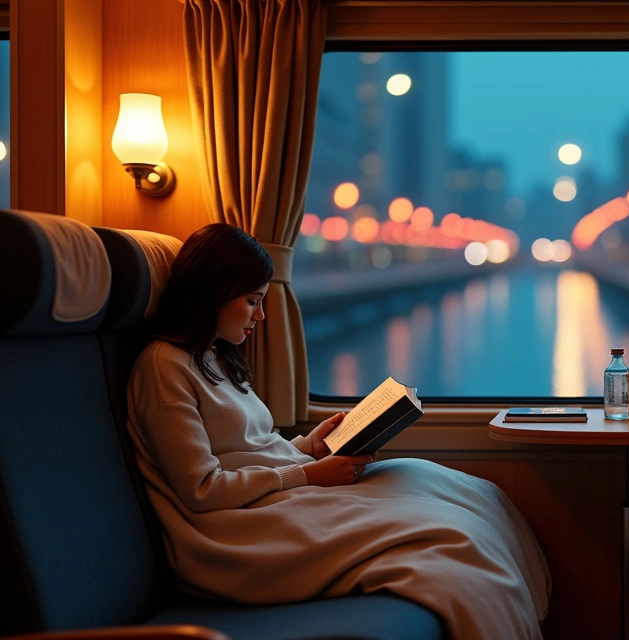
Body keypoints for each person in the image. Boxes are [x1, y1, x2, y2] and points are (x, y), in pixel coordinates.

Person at [126, 223, 550, 639]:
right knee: (448, 535)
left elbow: (248, 449)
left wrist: (310, 446)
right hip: (230, 534)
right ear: (213, 293)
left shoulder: (213, 356)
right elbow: (202, 489)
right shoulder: (164, 367)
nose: (261, 315)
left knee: (453, 489)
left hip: (269, 500)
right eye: (253, 300)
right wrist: (308, 474)